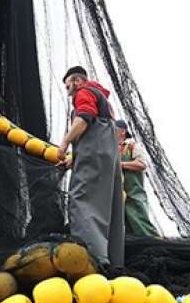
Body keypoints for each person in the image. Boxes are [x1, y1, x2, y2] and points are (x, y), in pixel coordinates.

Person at [57, 66, 125, 266]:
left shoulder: (84, 92)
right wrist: (74, 159)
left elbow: (84, 119)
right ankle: (114, 262)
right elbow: (98, 132)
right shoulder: (103, 99)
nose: (68, 88)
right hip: (108, 157)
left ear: (77, 81)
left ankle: (92, 260)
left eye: (68, 83)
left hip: (95, 153)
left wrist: (65, 142)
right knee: (107, 207)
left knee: (82, 200)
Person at [115, 120, 160, 237]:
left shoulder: (132, 146)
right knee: (126, 231)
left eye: (114, 129)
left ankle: (157, 247)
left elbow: (141, 164)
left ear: (123, 131)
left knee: (141, 224)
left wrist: (121, 165)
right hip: (119, 197)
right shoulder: (112, 148)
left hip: (134, 195)